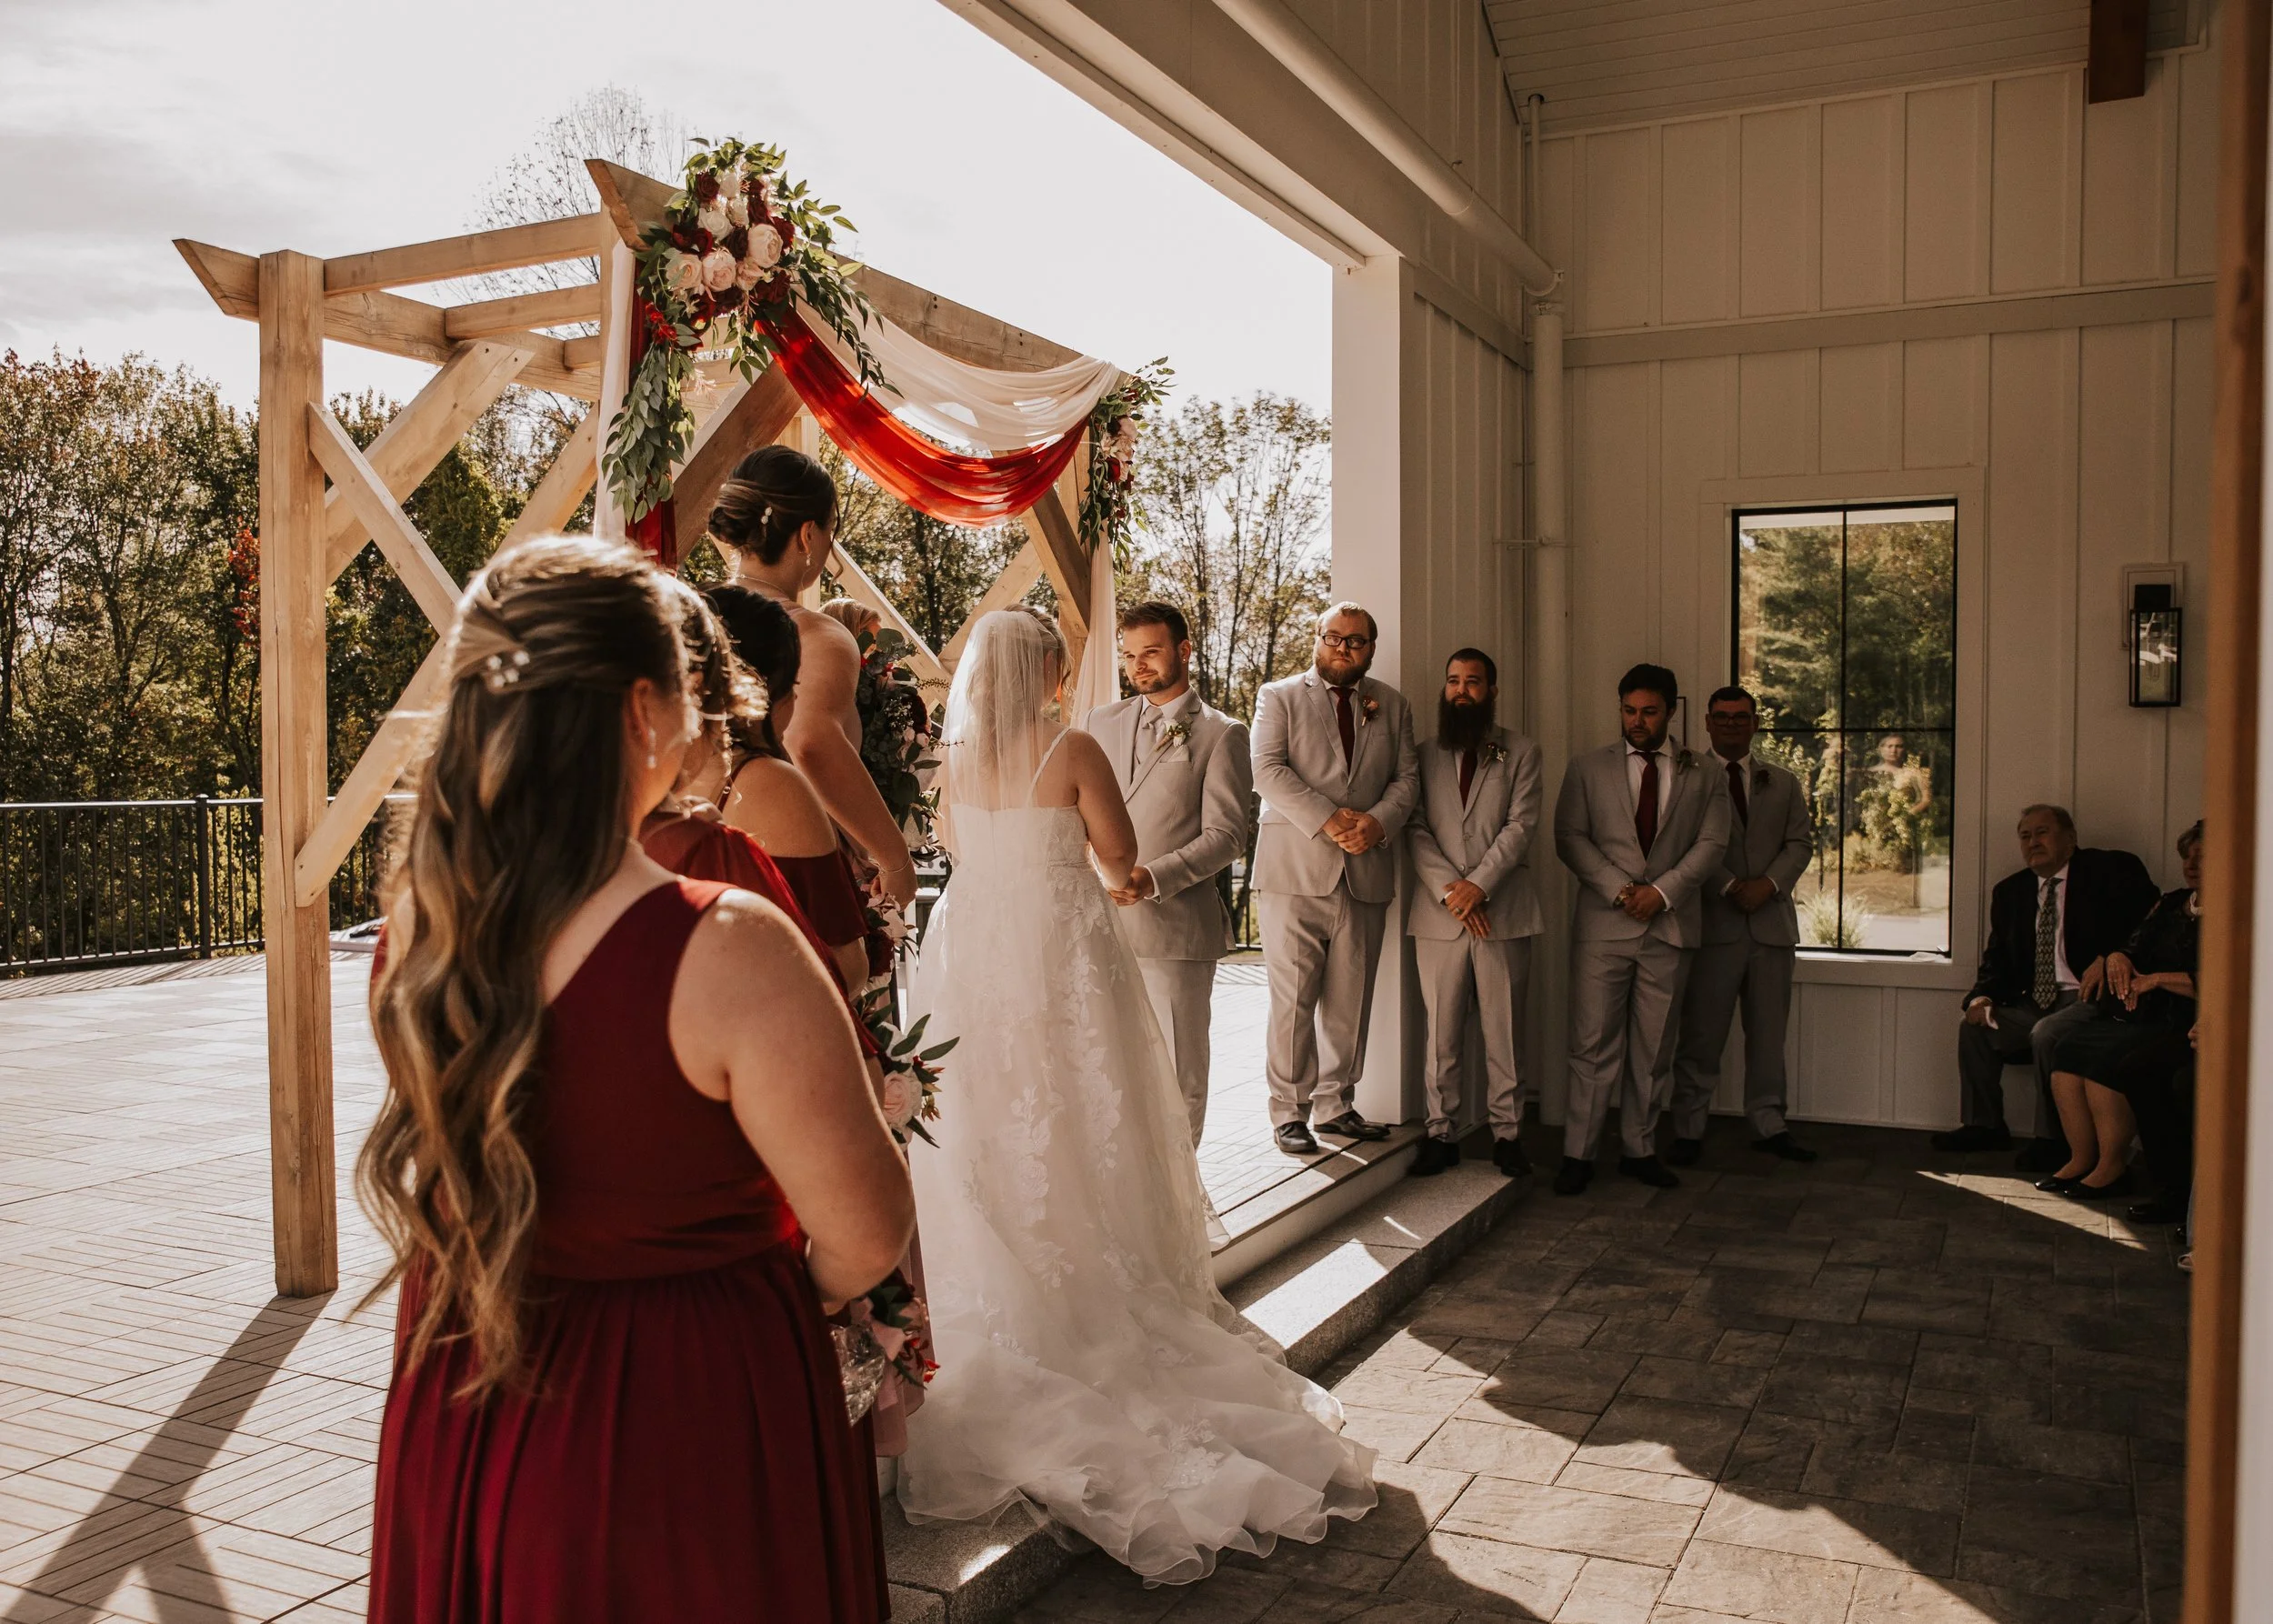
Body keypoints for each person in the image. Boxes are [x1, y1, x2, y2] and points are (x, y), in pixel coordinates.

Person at [362, 536, 913, 1622]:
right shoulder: (728, 945)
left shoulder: (422, 927)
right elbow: (867, 1226)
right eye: (689, 690)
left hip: (468, 1370)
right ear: (639, 711)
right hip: (681, 1400)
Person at [896, 606, 1377, 1583]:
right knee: (1083, 1116)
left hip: (974, 954)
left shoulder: (951, 760)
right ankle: (1091, 1275)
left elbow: (954, 848)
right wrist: (1099, 870)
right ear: (1044, 672)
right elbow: (1115, 857)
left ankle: (1003, 1283)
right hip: (1063, 954)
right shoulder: (1071, 747)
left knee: (987, 1118)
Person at [704, 445, 920, 911]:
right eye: (830, 531)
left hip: (694, 851)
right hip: (783, 861)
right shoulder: (817, 634)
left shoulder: (686, 614)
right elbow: (811, 741)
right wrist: (894, 859)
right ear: (807, 534)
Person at [1552, 663, 1733, 1196]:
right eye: (1629, 710)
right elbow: (1570, 837)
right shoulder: (1587, 767)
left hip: (1671, 928)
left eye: (1649, 711)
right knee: (1592, 1044)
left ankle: (1640, 1148)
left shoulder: (1705, 772)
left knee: (1654, 1049)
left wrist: (1662, 893)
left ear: (1672, 711)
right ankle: (1578, 1154)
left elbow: (1712, 844)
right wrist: (1622, 890)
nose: (1637, 721)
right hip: (1604, 928)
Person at [1249, 602, 1420, 1156]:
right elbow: (1266, 770)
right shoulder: (1278, 696)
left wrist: (1377, 823)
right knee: (1294, 999)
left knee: (1352, 999)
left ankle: (1336, 1105)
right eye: (1334, 638)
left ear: (1371, 648)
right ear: (1316, 639)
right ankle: (1289, 1112)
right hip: (1294, 870)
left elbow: (1407, 780)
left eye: (1356, 642)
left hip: (1366, 869)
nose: (1343, 649)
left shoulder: (1391, 704)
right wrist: (1328, 819)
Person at [1086, 600, 1253, 1143]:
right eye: (1129, 655)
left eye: (1150, 653)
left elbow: (1227, 837)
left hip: (1177, 928)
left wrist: (1151, 878)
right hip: (1100, 927)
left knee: (1180, 1073)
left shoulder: (1221, 734)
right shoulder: (1099, 722)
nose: (1137, 666)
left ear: (1184, 650)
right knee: (1111, 1070)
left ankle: (1186, 1206)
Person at [1938, 805, 2158, 1162]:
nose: (2032, 842)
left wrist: (2112, 954)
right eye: (2025, 835)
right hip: (2034, 1000)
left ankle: (2054, 1140)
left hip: (2091, 999)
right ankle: (1984, 1126)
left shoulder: (2111, 871)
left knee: (2046, 1033)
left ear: (2070, 839)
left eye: (2042, 832)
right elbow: (1997, 958)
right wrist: (1981, 997)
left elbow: (2150, 923)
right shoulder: (2010, 892)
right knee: (1974, 1028)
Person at [1405, 647, 1543, 1178]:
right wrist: (1451, 892)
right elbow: (1414, 826)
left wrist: (1479, 887)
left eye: (1474, 682)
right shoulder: (1420, 754)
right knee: (1440, 1033)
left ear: (1492, 690)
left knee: (1504, 1031)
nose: (1462, 691)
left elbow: (1521, 826)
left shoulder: (1522, 752)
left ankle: (1508, 1134)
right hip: (1439, 918)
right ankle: (1442, 1135)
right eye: (1454, 681)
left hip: (1503, 913)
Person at [1667, 686, 1817, 1165]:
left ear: (1755, 724)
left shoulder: (1784, 782)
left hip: (1771, 929)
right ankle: (1688, 1126)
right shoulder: (1686, 779)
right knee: (1702, 1034)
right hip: (1714, 926)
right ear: (1707, 723)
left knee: (1769, 1036)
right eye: (1722, 717)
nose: (1732, 724)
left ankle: (1769, 1123)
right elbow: (1682, 848)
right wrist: (1731, 886)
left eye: (1741, 717)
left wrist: (1769, 885)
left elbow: (1800, 843)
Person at [704, 585, 875, 997]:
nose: (797, 696)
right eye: (793, 682)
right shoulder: (771, 784)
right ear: (767, 688)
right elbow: (845, 967)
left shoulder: (651, 775)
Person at [2039, 821, 2201, 1208]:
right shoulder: (2172, 902)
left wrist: (2159, 979)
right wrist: (2118, 956)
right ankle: (2081, 1158)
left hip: (2186, 1018)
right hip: (2143, 1010)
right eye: (2188, 856)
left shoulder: (2235, 913)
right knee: (2068, 1049)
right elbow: (2134, 942)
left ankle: (2112, 1166)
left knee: (2109, 1062)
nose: (2193, 864)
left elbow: (2227, 980)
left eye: (2205, 856)